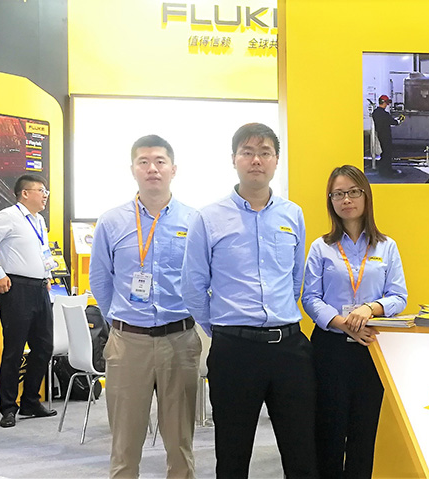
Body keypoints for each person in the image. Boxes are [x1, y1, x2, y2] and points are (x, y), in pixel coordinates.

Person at [182, 123, 317, 478]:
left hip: (289, 348)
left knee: (302, 451)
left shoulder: (292, 214)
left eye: (265, 153)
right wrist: (225, 328)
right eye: (248, 152)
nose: (256, 160)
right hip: (235, 352)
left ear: (276, 160)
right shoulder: (208, 217)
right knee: (232, 453)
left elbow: (295, 278)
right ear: (234, 159)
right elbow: (193, 286)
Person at [90, 135, 201, 479]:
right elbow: (100, 280)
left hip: (179, 340)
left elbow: (201, 280)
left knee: (180, 444)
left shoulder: (194, 220)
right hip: (128, 343)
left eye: (160, 161)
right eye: (144, 162)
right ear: (133, 169)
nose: (152, 168)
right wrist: (122, 322)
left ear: (173, 169)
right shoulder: (111, 221)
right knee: (124, 445)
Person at [302, 165, 408, 478]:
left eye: (352, 192)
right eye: (338, 194)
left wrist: (371, 308)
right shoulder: (321, 247)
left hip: (370, 349)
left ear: (365, 195)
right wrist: (341, 321)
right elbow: (310, 298)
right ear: (330, 201)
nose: (346, 199)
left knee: (363, 433)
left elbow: (399, 296)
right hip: (329, 348)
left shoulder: (386, 246)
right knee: (328, 433)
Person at [0, 174, 57, 428]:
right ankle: (8, 407)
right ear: (25, 193)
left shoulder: (39, 220)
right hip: (17, 288)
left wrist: (47, 274)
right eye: (41, 190)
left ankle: (31, 401)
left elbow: (41, 251)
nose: (45, 195)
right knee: (14, 350)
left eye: (46, 191)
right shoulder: (8, 216)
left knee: (44, 347)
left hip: (40, 289)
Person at [371, 94, 402, 177]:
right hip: (386, 135)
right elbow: (393, 122)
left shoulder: (375, 112)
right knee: (387, 153)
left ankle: (385, 169)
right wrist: (399, 121)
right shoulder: (384, 114)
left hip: (380, 134)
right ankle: (386, 171)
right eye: (386, 103)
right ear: (384, 102)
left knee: (385, 152)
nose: (387, 105)